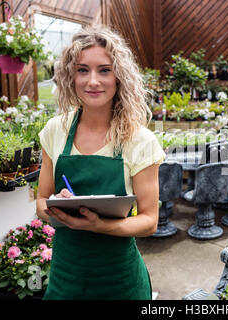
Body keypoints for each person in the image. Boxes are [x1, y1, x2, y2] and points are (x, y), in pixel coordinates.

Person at [36, 25, 166, 300]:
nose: (92, 81)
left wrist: (98, 225)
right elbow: (40, 201)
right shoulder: (54, 130)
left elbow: (149, 221)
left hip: (119, 281)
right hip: (65, 278)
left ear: (119, 76)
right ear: (70, 76)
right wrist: (59, 208)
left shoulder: (139, 140)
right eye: (82, 70)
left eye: (104, 70)